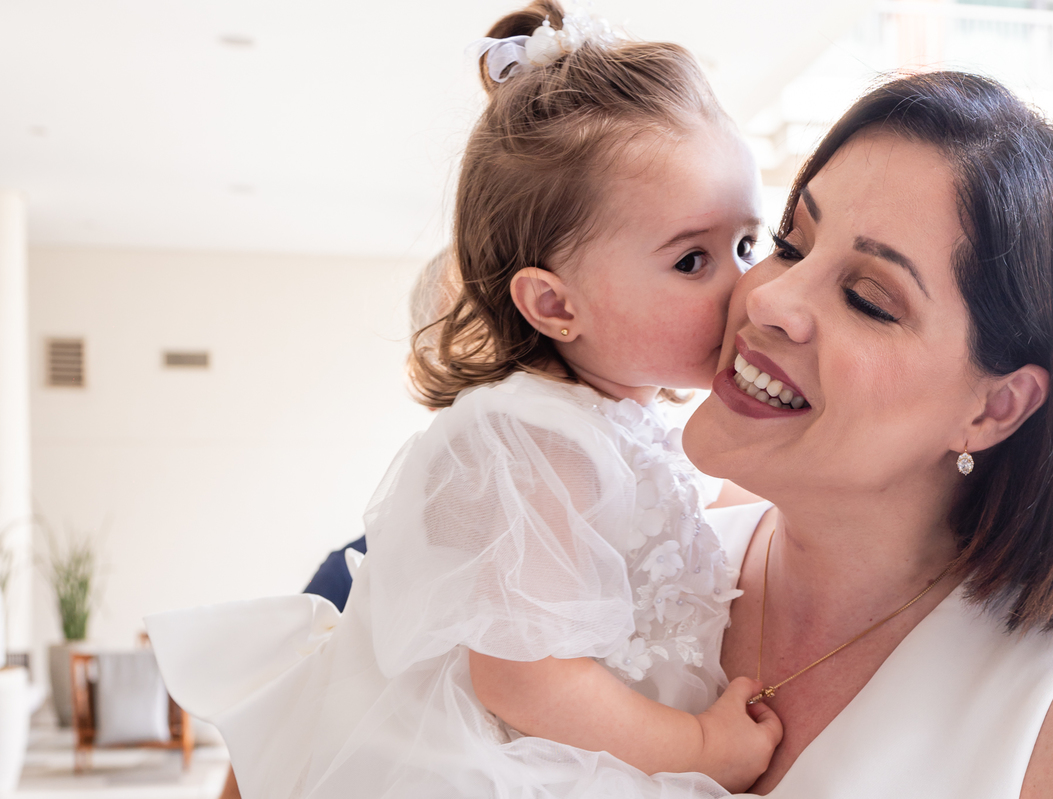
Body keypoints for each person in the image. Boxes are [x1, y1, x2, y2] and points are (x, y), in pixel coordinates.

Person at [146, 2, 781, 797]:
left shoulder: (627, 421)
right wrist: (696, 744)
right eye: (693, 260)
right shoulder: (533, 435)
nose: (747, 285)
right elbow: (528, 683)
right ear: (554, 305)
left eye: (748, 244)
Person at [682, 70, 1053, 796]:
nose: (768, 297)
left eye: (868, 299)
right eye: (791, 243)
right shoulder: (629, 565)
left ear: (996, 408)